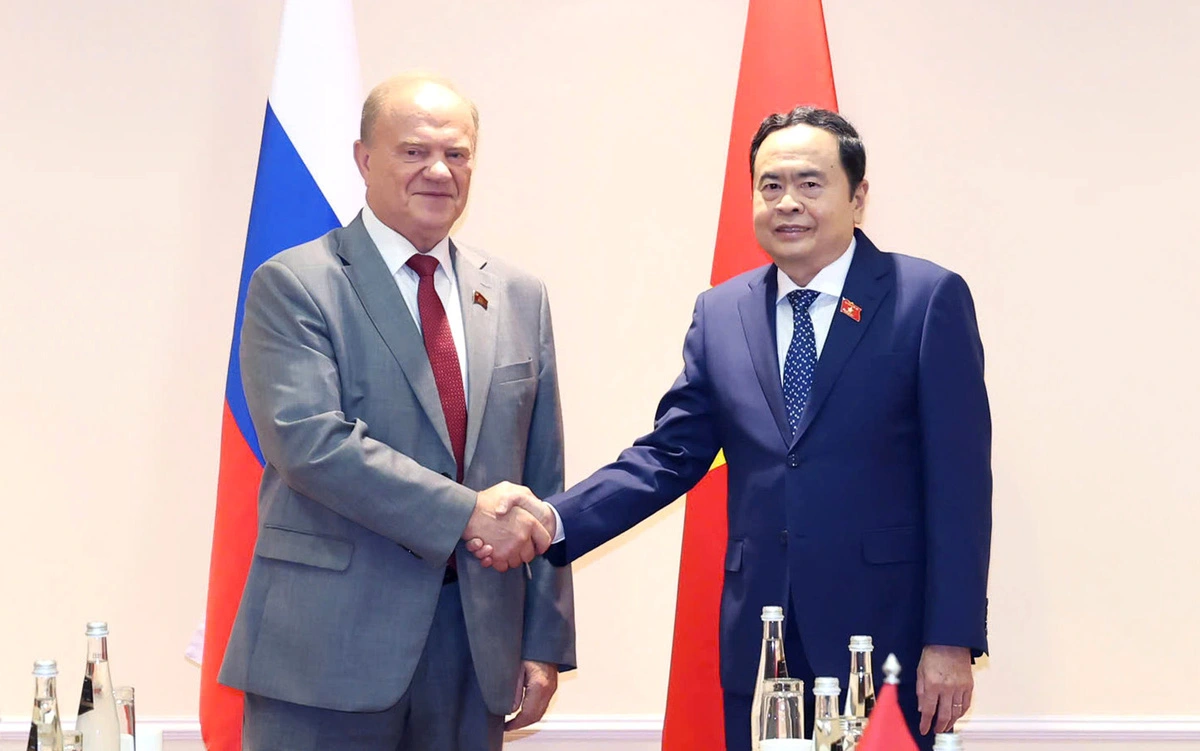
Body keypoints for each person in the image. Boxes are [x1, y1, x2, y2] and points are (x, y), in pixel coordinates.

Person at [471, 106, 991, 750]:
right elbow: (669, 454)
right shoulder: (722, 312)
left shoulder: (926, 298)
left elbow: (960, 484)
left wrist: (951, 639)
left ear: (857, 197)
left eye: (810, 183)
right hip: (762, 638)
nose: (788, 203)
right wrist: (552, 520)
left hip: (886, 641)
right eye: (770, 185)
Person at [218, 73, 573, 751]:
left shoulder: (521, 295)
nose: (439, 171)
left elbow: (543, 476)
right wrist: (468, 512)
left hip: (475, 651)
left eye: (458, 154)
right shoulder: (296, 285)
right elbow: (311, 444)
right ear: (364, 159)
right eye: (414, 151)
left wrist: (545, 638)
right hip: (325, 653)